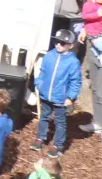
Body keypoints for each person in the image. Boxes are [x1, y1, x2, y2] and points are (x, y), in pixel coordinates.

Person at [30, 29, 82, 158]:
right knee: (44, 117)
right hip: (45, 94)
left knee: (60, 122)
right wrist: (39, 84)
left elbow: (75, 81)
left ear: (71, 45)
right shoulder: (49, 55)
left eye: (62, 43)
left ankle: (58, 145)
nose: (58, 45)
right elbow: (41, 72)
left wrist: (70, 97)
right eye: (56, 41)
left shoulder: (73, 62)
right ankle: (40, 138)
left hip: (60, 98)